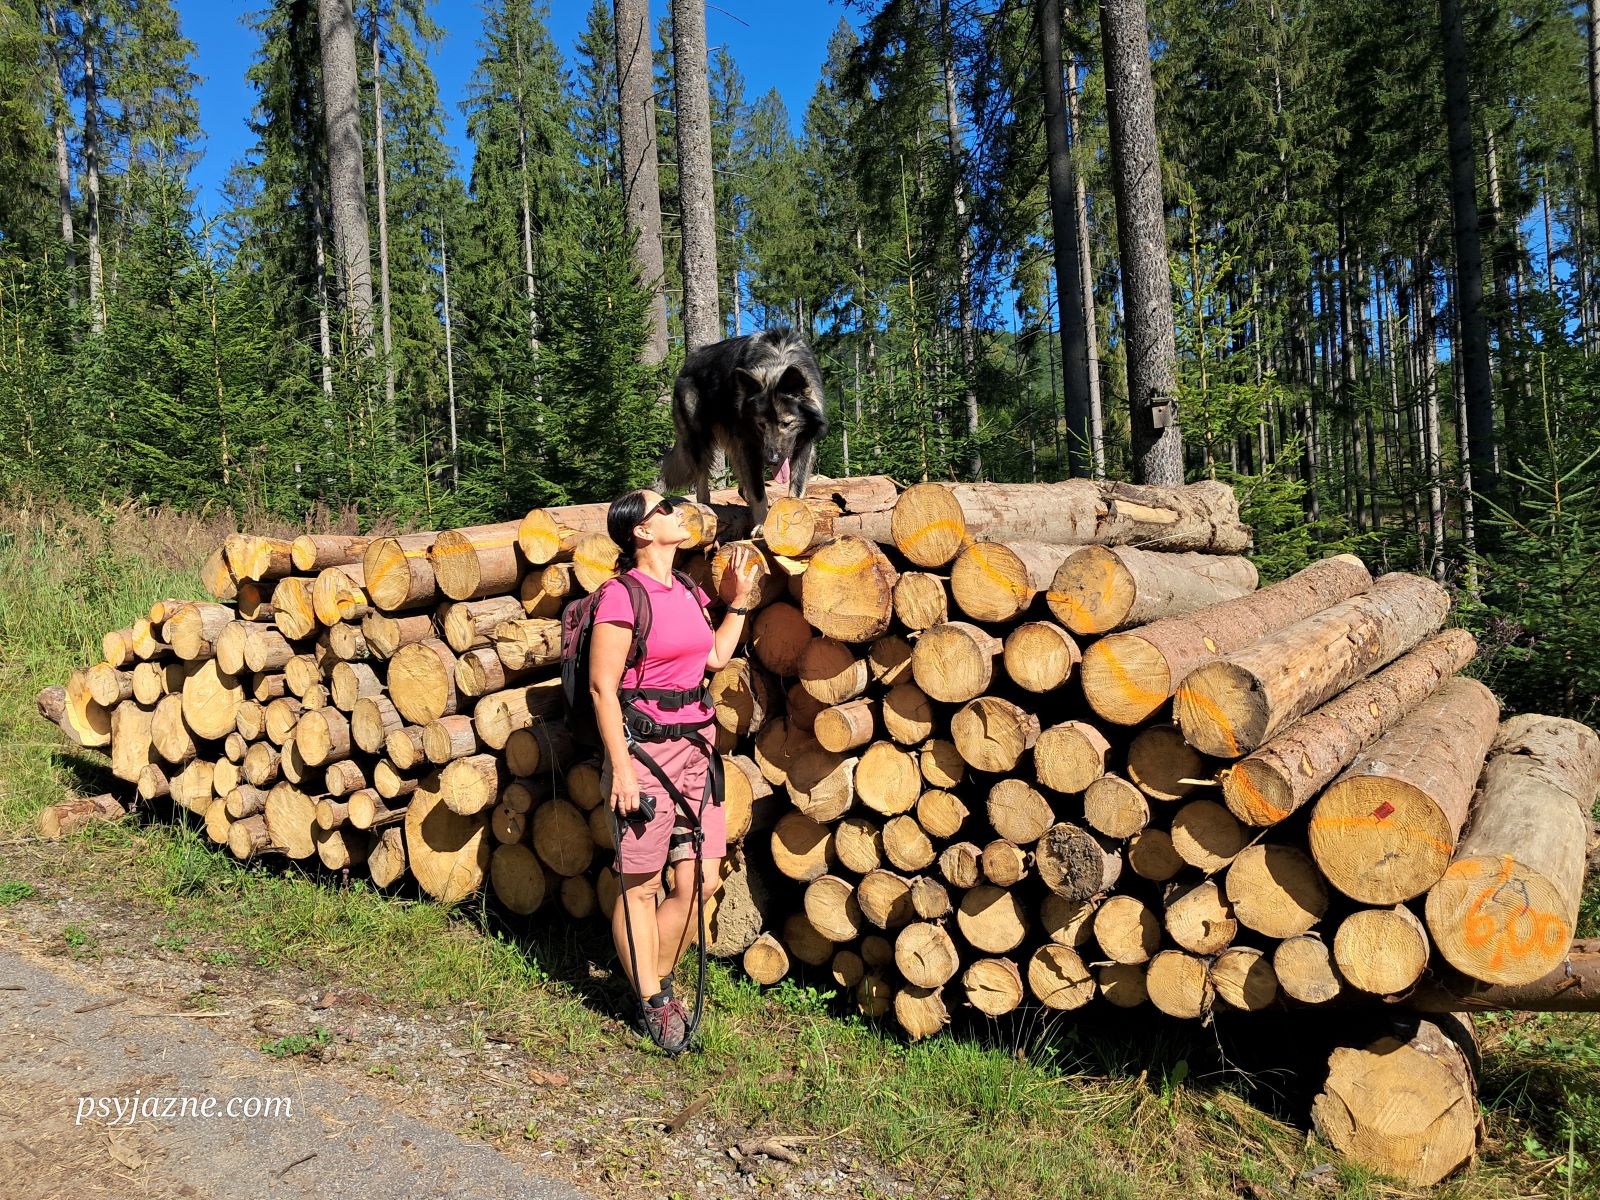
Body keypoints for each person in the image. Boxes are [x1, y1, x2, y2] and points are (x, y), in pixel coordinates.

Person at [587, 489, 759, 1053]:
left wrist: (737, 603)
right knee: (641, 886)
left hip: (697, 752)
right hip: (644, 755)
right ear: (640, 531)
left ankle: (648, 986)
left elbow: (713, 658)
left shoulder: (686, 587)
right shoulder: (621, 596)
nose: (676, 511)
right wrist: (622, 770)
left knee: (701, 881)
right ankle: (656, 1000)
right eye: (664, 507)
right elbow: (602, 688)